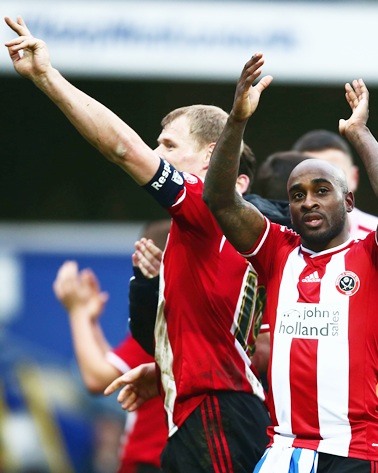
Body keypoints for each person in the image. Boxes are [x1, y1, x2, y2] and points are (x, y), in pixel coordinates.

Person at [5, 16, 270, 472]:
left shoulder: (208, 208)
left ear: (210, 156)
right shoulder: (222, 225)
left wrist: (48, 77)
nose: (158, 153)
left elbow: (122, 149)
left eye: (168, 144)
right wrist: (166, 368)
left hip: (216, 410)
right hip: (208, 407)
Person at [202, 54, 378, 472]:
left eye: (322, 190)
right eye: (297, 195)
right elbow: (220, 199)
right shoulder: (277, 252)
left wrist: (359, 133)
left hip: (353, 454)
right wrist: (237, 119)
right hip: (283, 451)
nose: (308, 201)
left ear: (349, 202)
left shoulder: (376, 259)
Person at [53, 220, 169, 473]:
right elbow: (118, 369)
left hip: (152, 461)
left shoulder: (166, 318)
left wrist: (77, 313)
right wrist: (91, 322)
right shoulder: (187, 314)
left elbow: (98, 379)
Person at [292, 129, 378, 238]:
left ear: (354, 178)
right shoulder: (280, 241)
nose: (323, 188)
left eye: (336, 175)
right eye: (310, 177)